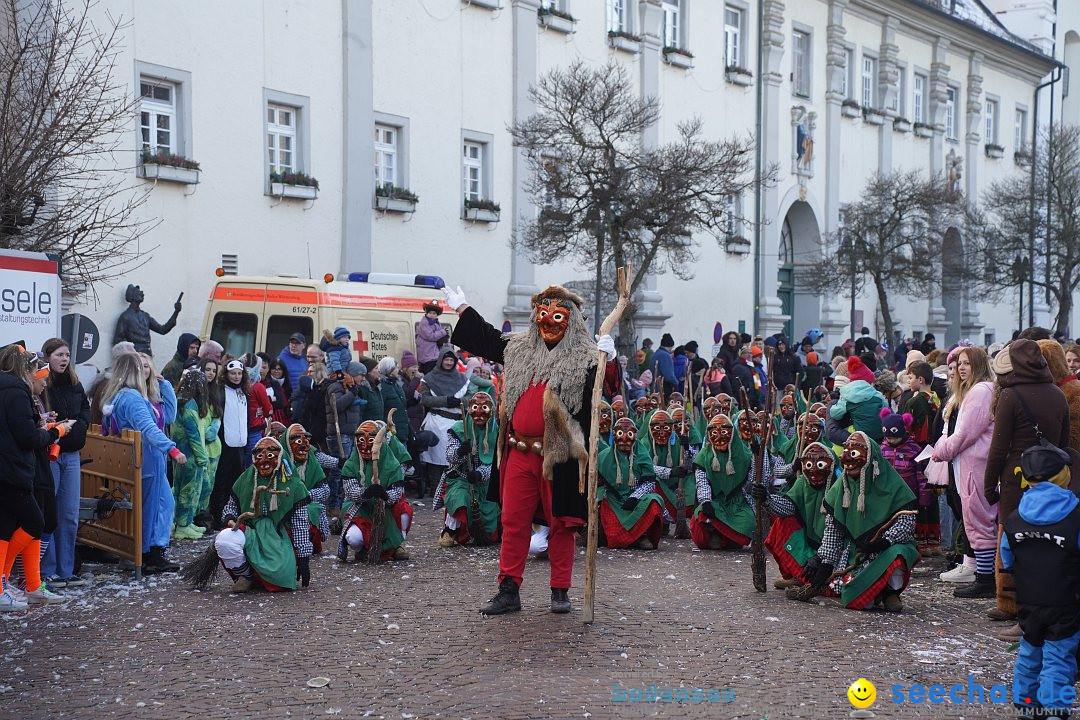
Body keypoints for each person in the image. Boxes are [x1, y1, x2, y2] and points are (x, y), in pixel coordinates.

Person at [444, 282, 613, 615]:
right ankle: (509, 588)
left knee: (562, 522)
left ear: (572, 320)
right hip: (519, 452)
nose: (548, 322)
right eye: (543, 314)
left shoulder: (586, 357)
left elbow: (602, 390)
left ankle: (560, 589)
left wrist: (609, 357)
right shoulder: (519, 349)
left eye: (558, 316)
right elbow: (489, 338)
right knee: (513, 520)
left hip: (561, 455)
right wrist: (462, 308)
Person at [985, 339, 1071, 644]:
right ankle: (1051, 614)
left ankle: (1023, 615)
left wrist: (988, 485)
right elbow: (1062, 444)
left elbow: (998, 450)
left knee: (1015, 547)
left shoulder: (1010, 396)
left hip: (1017, 481)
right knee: (1048, 548)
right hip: (1052, 481)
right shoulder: (1058, 394)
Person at [789, 431, 918, 612]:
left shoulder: (893, 484)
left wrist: (883, 542)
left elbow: (906, 522)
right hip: (856, 552)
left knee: (898, 553)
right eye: (846, 451)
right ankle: (872, 591)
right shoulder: (841, 486)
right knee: (862, 602)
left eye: (855, 452)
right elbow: (833, 529)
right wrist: (825, 562)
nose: (847, 458)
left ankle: (891, 592)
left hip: (885, 548)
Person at [999, 446, 1080, 720]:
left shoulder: (1015, 517)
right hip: (1067, 599)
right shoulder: (1075, 515)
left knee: (1030, 649)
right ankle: (1054, 708)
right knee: (1059, 656)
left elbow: (1006, 556)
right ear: (1063, 476)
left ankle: (1025, 702)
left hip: (1028, 598)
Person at [0, 345, 72, 609]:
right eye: (38, 373)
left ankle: (23, 584)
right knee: (35, 522)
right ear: (29, 371)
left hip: (11, 467)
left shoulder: (9, 389)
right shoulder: (17, 391)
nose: (41, 381)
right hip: (14, 468)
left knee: (6, 527)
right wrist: (56, 432)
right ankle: (6, 579)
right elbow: (27, 436)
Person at [101, 353, 186, 573]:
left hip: (140, 459)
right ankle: (149, 555)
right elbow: (149, 429)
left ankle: (152, 552)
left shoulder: (119, 396)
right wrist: (173, 449)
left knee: (162, 505)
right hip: (147, 460)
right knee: (153, 508)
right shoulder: (133, 398)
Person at [930, 347, 998, 599]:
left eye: (967, 363)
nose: (961, 367)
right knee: (975, 519)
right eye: (959, 363)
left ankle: (985, 578)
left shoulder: (980, 391)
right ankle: (983, 574)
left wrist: (941, 449)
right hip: (970, 463)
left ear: (978, 365)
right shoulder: (975, 390)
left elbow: (966, 433)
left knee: (978, 519)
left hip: (975, 464)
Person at [210, 436, 312, 592]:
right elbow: (231, 506)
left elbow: (300, 523)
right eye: (259, 457)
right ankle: (245, 576)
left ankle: (275, 572)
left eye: (270, 456)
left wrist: (303, 556)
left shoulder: (293, 484)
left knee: (280, 579)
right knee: (224, 539)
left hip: (279, 538)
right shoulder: (245, 479)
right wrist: (230, 518)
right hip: (251, 533)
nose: (264, 462)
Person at [40, 338, 90, 588]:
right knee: (49, 512)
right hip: (50, 452)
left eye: (67, 355)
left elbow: (85, 410)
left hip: (71, 453)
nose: (64, 359)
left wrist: (79, 427)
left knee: (68, 514)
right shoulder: (42, 384)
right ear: (48, 356)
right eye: (59, 355)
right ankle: (47, 570)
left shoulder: (75, 383)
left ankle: (66, 569)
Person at [761, 442, 842, 590]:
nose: (815, 472)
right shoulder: (802, 482)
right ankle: (796, 575)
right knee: (782, 523)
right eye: (809, 465)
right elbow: (786, 507)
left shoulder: (841, 488)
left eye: (821, 465)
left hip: (835, 551)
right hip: (809, 542)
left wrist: (820, 558)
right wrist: (766, 498)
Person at [338, 420, 414, 562]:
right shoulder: (350, 464)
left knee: (404, 513)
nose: (366, 446)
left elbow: (397, 491)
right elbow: (350, 491)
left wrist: (385, 495)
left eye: (371, 440)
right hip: (360, 507)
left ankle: (395, 546)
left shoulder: (392, 464)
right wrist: (366, 493)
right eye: (361, 440)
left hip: (387, 509)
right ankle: (361, 549)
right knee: (354, 537)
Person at [434, 391, 501, 547]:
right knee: (460, 497)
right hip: (461, 477)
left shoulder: (496, 431)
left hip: (485, 482)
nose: (479, 415)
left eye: (484, 409)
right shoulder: (458, 429)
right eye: (475, 409)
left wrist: (480, 474)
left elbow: (497, 461)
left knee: (492, 507)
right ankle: (450, 531)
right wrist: (460, 452)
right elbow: (449, 454)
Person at [596, 417, 665, 550]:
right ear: (614, 435)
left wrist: (635, 497)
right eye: (620, 434)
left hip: (637, 500)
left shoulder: (642, 454)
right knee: (616, 540)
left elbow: (650, 482)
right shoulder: (603, 457)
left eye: (630, 435)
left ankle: (641, 535)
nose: (625, 440)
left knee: (654, 501)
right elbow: (598, 485)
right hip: (614, 501)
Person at [690, 413, 754, 550]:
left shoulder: (746, 455)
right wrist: (706, 501)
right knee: (702, 514)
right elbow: (702, 482)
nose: (719, 437)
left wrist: (760, 455)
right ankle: (716, 534)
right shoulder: (704, 456)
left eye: (724, 432)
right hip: (715, 501)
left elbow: (754, 480)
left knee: (749, 521)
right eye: (714, 433)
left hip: (738, 504)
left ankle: (731, 538)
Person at [879, 409, 935, 555]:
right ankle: (891, 543)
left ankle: (912, 546)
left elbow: (921, 475)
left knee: (909, 521)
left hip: (909, 495)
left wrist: (924, 496)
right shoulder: (882, 449)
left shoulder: (913, 449)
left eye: (894, 438)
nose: (890, 441)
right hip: (888, 495)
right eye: (888, 438)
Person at [418, 349, 467, 499]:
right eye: (446, 359)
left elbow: (471, 398)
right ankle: (435, 490)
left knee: (454, 457)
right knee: (436, 459)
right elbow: (425, 399)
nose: (449, 362)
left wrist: (459, 401)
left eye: (451, 360)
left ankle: (451, 489)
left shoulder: (462, 379)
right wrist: (445, 400)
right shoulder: (429, 379)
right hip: (437, 422)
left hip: (456, 423)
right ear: (441, 360)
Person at [210, 359, 251, 528]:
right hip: (225, 443)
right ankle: (217, 516)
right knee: (221, 482)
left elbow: (245, 419)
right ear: (226, 374)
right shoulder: (221, 391)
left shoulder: (243, 393)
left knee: (235, 483)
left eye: (239, 373)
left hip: (240, 444)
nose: (236, 377)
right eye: (233, 373)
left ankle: (231, 515)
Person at [171, 368, 212, 540]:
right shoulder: (190, 405)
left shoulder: (179, 401)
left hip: (179, 454)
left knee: (179, 489)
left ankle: (180, 522)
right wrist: (203, 459)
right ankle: (183, 526)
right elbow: (194, 435)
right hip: (190, 457)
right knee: (189, 491)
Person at [194, 357, 223, 531]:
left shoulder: (215, 391)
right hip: (198, 444)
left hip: (213, 446)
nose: (211, 373)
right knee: (197, 484)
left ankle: (202, 516)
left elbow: (217, 414)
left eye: (214, 370)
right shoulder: (194, 392)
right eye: (208, 369)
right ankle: (191, 517)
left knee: (208, 485)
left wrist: (214, 426)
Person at [112, 284, 181, 354]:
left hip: (147, 356)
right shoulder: (125, 316)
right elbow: (117, 341)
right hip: (134, 358)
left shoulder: (145, 316)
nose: (142, 293)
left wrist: (176, 312)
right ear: (132, 296)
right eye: (138, 292)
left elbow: (162, 330)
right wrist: (130, 355)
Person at [1038, 340, 1080, 452]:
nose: (1072, 364)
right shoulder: (1050, 389)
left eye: (1076, 360)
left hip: (1069, 457)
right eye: (1069, 360)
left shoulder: (1073, 392)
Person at [378, 356, 411, 446]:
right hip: (390, 434)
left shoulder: (396, 384)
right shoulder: (382, 387)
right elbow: (381, 409)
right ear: (389, 369)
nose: (398, 369)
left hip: (402, 432)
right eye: (396, 367)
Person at [416, 301, 449, 374]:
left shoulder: (436, 323)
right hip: (427, 357)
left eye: (434, 313)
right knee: (430, 377)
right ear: (426, 313)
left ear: (437, 315)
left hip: (433, 356)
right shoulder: (424, 323)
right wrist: (443, 332)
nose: (432, 315)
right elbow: (430, 336)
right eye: (430, 313)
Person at [265, 358, 292, 424]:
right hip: (272, 418)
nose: (276, 371)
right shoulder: (266, 383)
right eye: (274, 368)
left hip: (285, 418)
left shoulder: (286, 385)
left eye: (279, 369)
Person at [652, 334, 677, 400]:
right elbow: (669, 376)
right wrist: (676, 383)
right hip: (663, 388)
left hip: (655, 386)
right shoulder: (665, 355)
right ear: (670, 346)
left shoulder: (656, 353)